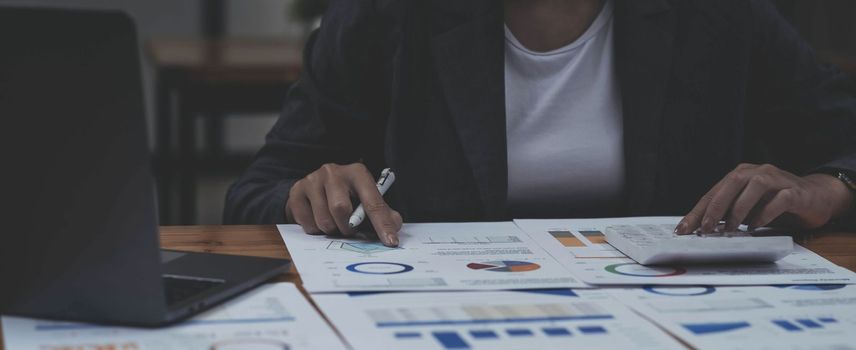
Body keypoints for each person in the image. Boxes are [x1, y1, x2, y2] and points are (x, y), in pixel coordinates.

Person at [224, 0, 856, 247]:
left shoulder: (716, 16)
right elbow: (257, 190)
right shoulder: (385, 17)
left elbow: (842, 135)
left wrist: (830, 186)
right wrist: (305, 194)